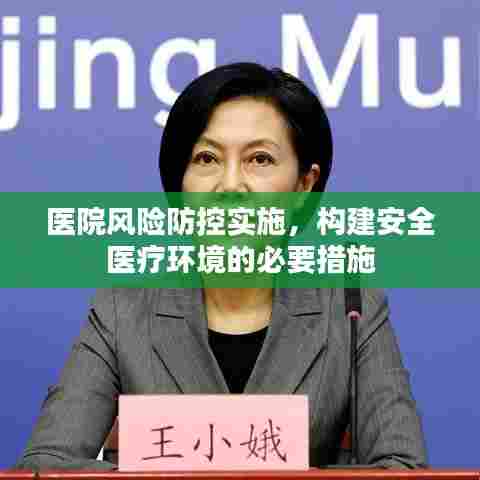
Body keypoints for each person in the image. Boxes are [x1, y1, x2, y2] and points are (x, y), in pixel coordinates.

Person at [15, 62, 428, 470]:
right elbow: (45, 466)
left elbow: (401, 467)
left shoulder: (350, 308)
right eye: (207, 158)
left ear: (304, 185)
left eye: (259, 159)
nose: (230, 185)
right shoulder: (123, 310)